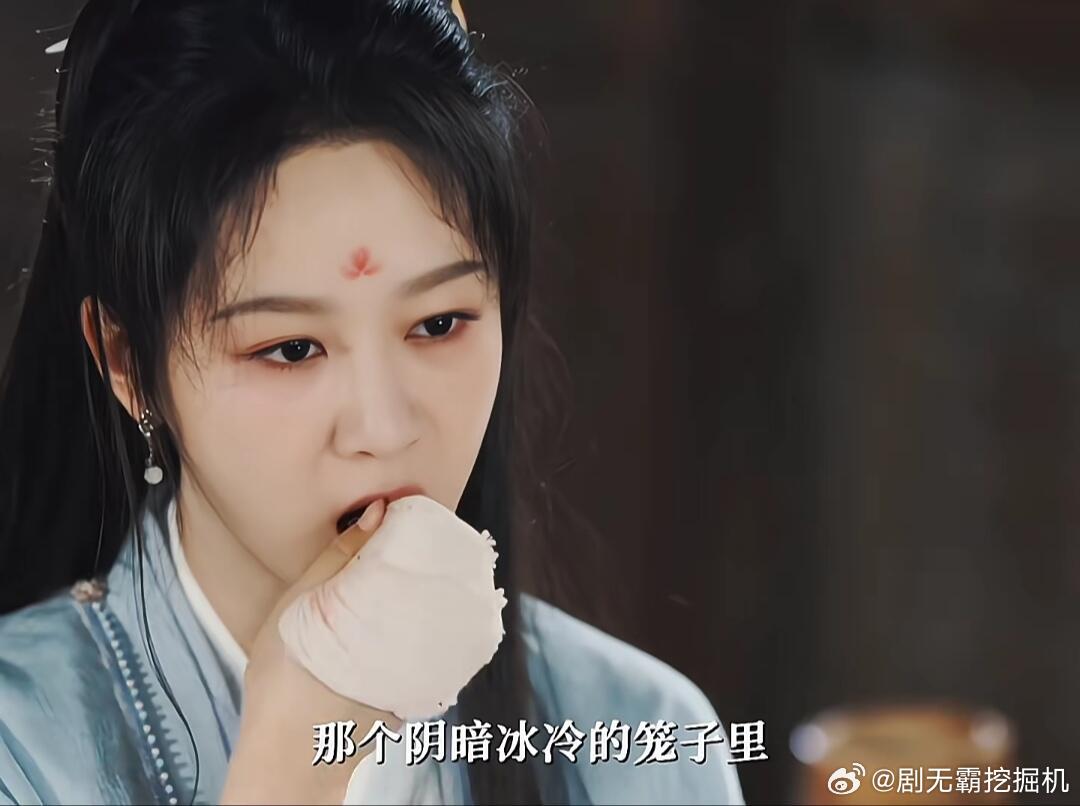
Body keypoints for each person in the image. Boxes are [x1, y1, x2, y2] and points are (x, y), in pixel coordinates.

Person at [0, 1, 747, 803]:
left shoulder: (642, 740)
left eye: (438, 324)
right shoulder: (21, 750)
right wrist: (287, 766)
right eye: (291, 349)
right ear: (126, 362)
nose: (386, 430)